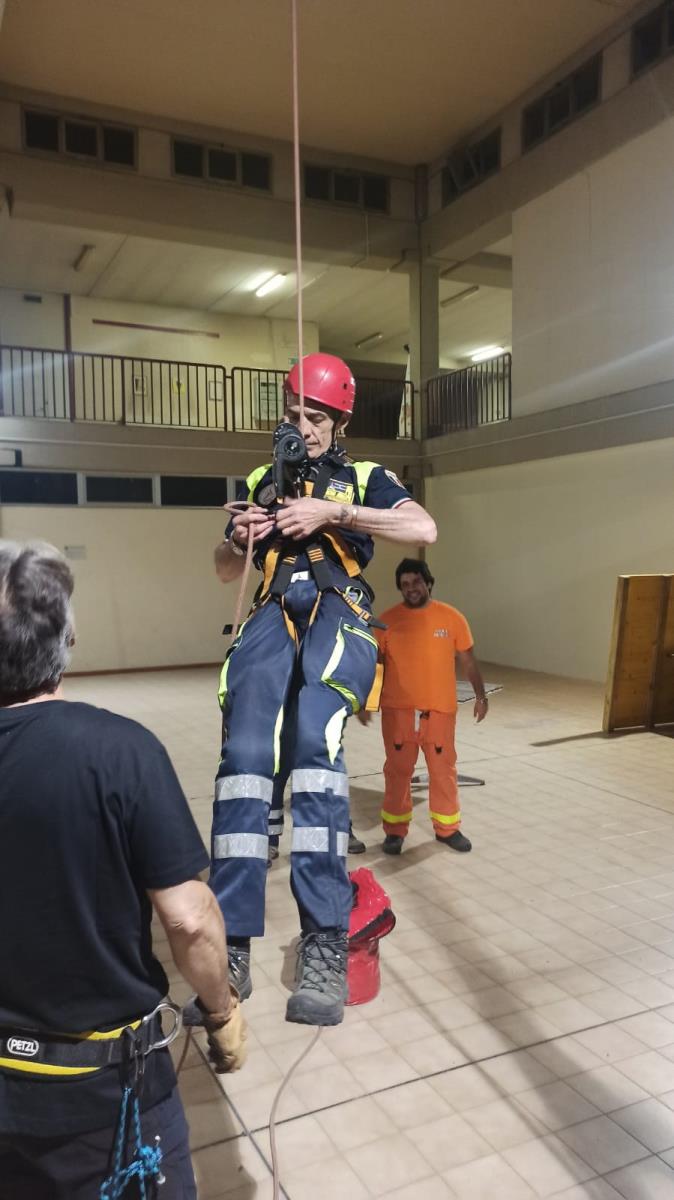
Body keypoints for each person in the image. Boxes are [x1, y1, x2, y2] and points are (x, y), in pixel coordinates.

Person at [0, 540, 247, 1200]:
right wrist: (221, 1011)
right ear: (68, 638)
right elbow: (189, 921)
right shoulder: (120, 752)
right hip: (103, 1097)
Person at [213, 353, 436, 1026]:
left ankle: (324, 940)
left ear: (340, 420)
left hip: (338, 611)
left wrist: (332, 512)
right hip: (271, 615)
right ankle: (231, 944)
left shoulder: (365, 476)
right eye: (294, 414)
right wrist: (240, 538)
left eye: (315, 417)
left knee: (314, 745)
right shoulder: (262, 478)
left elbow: (422, 528)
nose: (303, 428)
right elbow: (225, 569)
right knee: (245, 758)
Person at [362, 558, 488, 856]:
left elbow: (469, 661)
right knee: (397, 772)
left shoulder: (452, 618)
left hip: (439, 712)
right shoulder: (387, 621)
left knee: (443, 771)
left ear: (428, 582)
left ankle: (448, 829)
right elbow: (377, 666)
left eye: (416, 582)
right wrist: (367, 703)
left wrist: (481, 696)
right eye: (405, 584)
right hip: (399, 713)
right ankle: (394, 831)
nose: (411, 588)